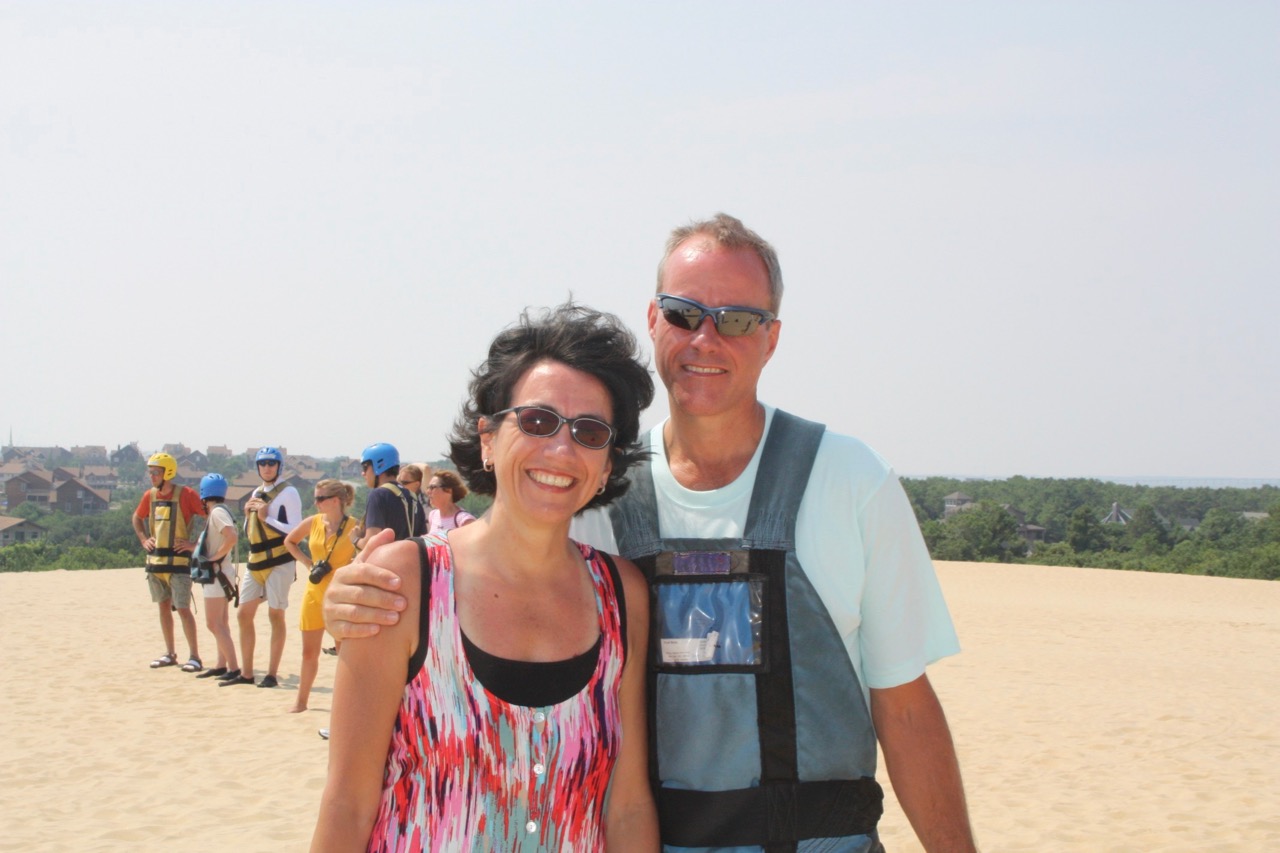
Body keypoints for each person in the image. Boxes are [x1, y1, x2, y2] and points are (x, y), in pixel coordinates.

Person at [326, 215, 976, 852]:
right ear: (653, 319)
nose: (706, 338)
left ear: (772, 337)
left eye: (739, 319)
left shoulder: (847, 479)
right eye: (685, 313)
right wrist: (355, 595)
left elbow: (906, 707)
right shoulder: (587, 497)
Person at [311, 304, 658, 851]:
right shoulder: (405, 582)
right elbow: (349, 801)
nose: (562, 449)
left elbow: (629, 804)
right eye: (539, 421)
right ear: (489, 439)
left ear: (608, 465)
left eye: (590, 432)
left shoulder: (621, 596)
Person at [223, 446, 302, 688]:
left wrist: (267, 517)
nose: (267, 467)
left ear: (279, 466)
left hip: (279, 560)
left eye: (271, 463)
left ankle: (271, 674)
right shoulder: (257, 492)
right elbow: (251, 530)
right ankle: (246, 673)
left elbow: (296, 530)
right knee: (243, 614)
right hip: (255, 560)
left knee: (275, 615)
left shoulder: (289, 493)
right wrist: (249, 514)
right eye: (263, 463)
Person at [283, 479, 356, 713]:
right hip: (314, 593)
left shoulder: (355, 527)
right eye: (315, 498)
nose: (315, 503)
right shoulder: (312, 522)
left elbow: (366, 550)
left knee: (344, 654)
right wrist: (307, 563)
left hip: (341, 594)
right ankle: (301, 701)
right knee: (308, 652)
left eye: (320, 498)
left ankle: (345, 704)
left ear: (336, 501)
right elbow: (289, 541)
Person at [133, 452, 205, 673]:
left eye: (156, 472)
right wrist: (144, 539)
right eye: (150, 472)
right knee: (163, 607)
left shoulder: (187, 495)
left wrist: (195, 544)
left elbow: (211, 516)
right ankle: (170, 653)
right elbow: (137, 517)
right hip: (156, 563)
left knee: (183, 607)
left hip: (179, 564)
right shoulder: (150, 496)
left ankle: (194, 656)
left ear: (168, 472)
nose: (152, 476)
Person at [191, 473, 241, 681]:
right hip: (222, 573)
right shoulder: (222, 510)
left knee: (213, 623)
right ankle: (222, 664)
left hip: (217, 575)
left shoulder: (217, 513)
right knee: (222, 621)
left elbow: (231, 536)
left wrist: (214, 558)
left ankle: (234, 667)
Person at [354, 442, 425, 549]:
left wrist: (355, 539)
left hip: (385, 563)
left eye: (365, 467)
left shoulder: (377, 495)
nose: (363, 473)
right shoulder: (413, 497)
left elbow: (371, 542)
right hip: (411, 562)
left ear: (380, 465)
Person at [423, 469, 477, 536]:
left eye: (432, 487)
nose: (428, 491)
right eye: (428, 487)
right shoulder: (433, 515)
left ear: (448, 490)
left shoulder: (464, 520)